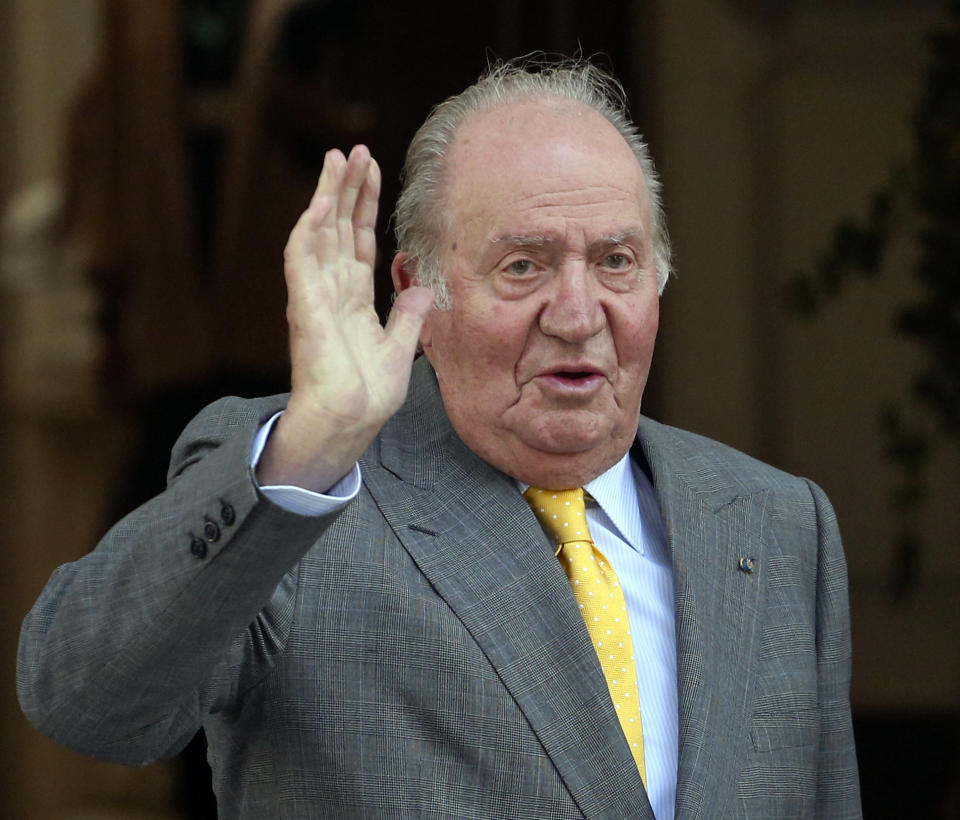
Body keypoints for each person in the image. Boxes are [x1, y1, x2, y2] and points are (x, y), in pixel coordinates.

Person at [17, 59, 861, 819]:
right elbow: (86, 702)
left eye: (616, 261)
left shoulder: (776, 524)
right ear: (418, 291)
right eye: (522, 266)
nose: (577, 315)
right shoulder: (295, 486)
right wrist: (311, 449)